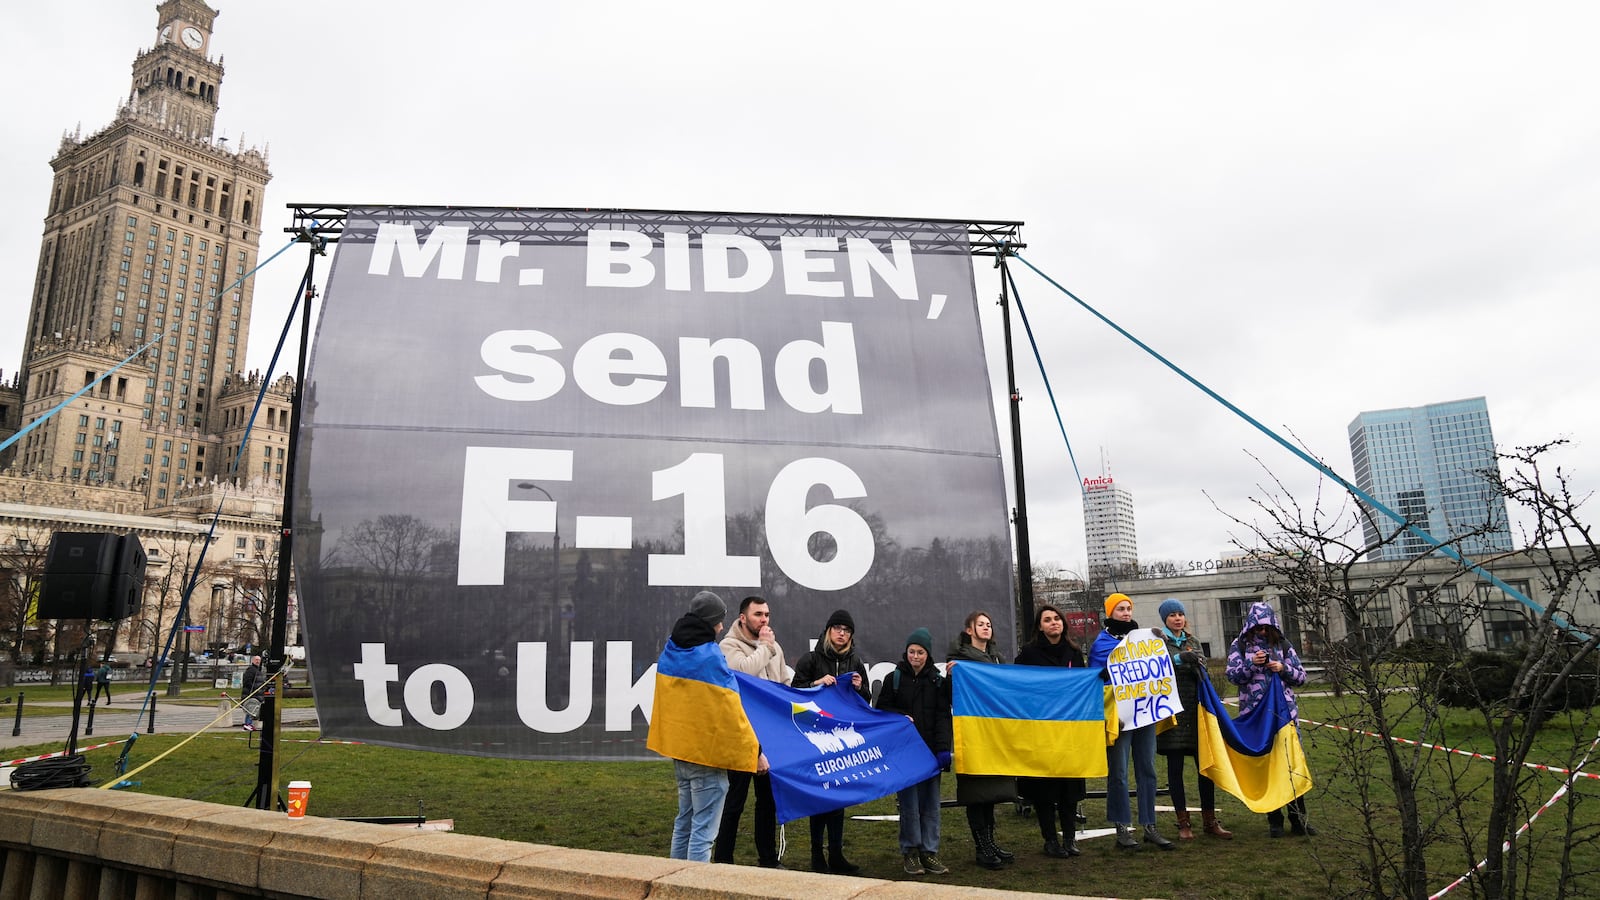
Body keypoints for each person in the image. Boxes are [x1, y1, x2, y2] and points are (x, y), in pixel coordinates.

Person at [659, 590, 765, 861]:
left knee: (684, 822)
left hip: (680, 751)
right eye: (718, 621)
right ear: (708, 621)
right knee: (704, 833)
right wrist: (755, 751)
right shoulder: (710, 656)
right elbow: (731, 710)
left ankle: (671, 884)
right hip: (706, 755)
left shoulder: (672, 647)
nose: (721, 627)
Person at [1090, 593, 1175, 851]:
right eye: (1120, 609)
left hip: (1145, 713)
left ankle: (1150, 826)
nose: (1126, 613)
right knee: (1119, 773)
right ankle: (1122, 828)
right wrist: (1105, 673)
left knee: (1147, 769)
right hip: (1119, 717)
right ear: (1110, 613)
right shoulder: (1101, 643)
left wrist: (1161, 641)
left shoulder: (1144, 639)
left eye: (1128, 608)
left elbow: (1159, 666)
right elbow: (1095, 679)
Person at [790, 608, 869, 875]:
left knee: (838, 799)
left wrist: (859, 688)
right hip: (815, 739)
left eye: (846, 631)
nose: (842, 634)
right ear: (828, 631)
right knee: (820, 798)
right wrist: (816, 682)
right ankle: (816, 855)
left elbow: (865, 701)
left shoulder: (856, 662)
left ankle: (836, 855)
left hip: (842, 740)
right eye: (837, 629)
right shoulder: (811, 659)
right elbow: (793, 693)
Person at [1226, 601, 1314, 838]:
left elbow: (1301, 677)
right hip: (1255, 716)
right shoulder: (1240, 645)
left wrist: (1282, 668)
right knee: (1266, 764)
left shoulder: (1283, 645)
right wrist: (1250, 665)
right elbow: (1233, 676)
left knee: (1291, 765)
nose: (1262, 632)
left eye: (1265, 628)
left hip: (1285, 716)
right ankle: (1274, 820)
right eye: (1257, 628)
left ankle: (1299, 820)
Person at [713, 595, 787, 868]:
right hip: (740, 733)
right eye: (758, 614)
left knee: (767, 801)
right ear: (743, 618)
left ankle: (767, 859)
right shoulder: (728, 646)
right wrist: (766, 648)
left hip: (768, 737)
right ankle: (723, 859)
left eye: (767, 614)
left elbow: (782, 682)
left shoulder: (773, 647)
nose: (764, 619)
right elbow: (742, 673)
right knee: (735, 800)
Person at [874, 627, 952, 876]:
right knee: (909, 805)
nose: (915, 656)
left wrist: (943, 750)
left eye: (920, 652)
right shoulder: (893, 679)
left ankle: (929, 853)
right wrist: (899, 717)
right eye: (911, 651)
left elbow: (943, 716)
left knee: (931, 806)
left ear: (928, 654)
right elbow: (882, 709)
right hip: (904, 754)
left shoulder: (937, 681)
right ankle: (910, 852)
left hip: (930, 752)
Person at [1155, 598, 1232, 840]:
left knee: (1205, 768)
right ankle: (1183, 823)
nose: (1177, 618)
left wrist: (1191, 660)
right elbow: (1160, 664)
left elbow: (1202, 663)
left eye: (1180, 614)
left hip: (1196, 712)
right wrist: (1180, 660)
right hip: (1172, 715)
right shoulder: (1158, 642)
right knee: (1175, 770)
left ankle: (1210, 821)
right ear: (1165, 619)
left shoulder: (1193, 640)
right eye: (1172, 615)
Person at [946, 609, 1016, 870]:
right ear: (969, 630)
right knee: (977, 791)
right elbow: (951, 695)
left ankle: (990, 842)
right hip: (974, 733)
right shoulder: (958, 660)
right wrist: (952, 677)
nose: (987, 628)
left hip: (995, 732)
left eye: (989, 624)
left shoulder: (996, 658)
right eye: (981, 624)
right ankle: (981, 847)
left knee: (992, 791)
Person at [1015, 604, 1086, 858]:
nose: (1054, 623)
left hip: (1068, 731)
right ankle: (1050, 840)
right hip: (1041, 731)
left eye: (1057, 618)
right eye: (1048, 619)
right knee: (1044, 789)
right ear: (1040, 626)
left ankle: (1069, 838)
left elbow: (1083, 687)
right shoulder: (1029, 654)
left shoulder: (1074, 653)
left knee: (1069, 788)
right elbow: (1016, 685)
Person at [241, 655, 264, 732]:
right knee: (250, 709)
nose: (258, 661)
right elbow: (247, 681)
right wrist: (254, 689)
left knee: (254, 709)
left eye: (259, 660)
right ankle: (247, 724)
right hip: (251, 693)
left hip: (257, 694)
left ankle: (249, 724)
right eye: (256, 660)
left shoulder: (258, 670)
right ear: (253, 661)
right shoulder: (251, 670)